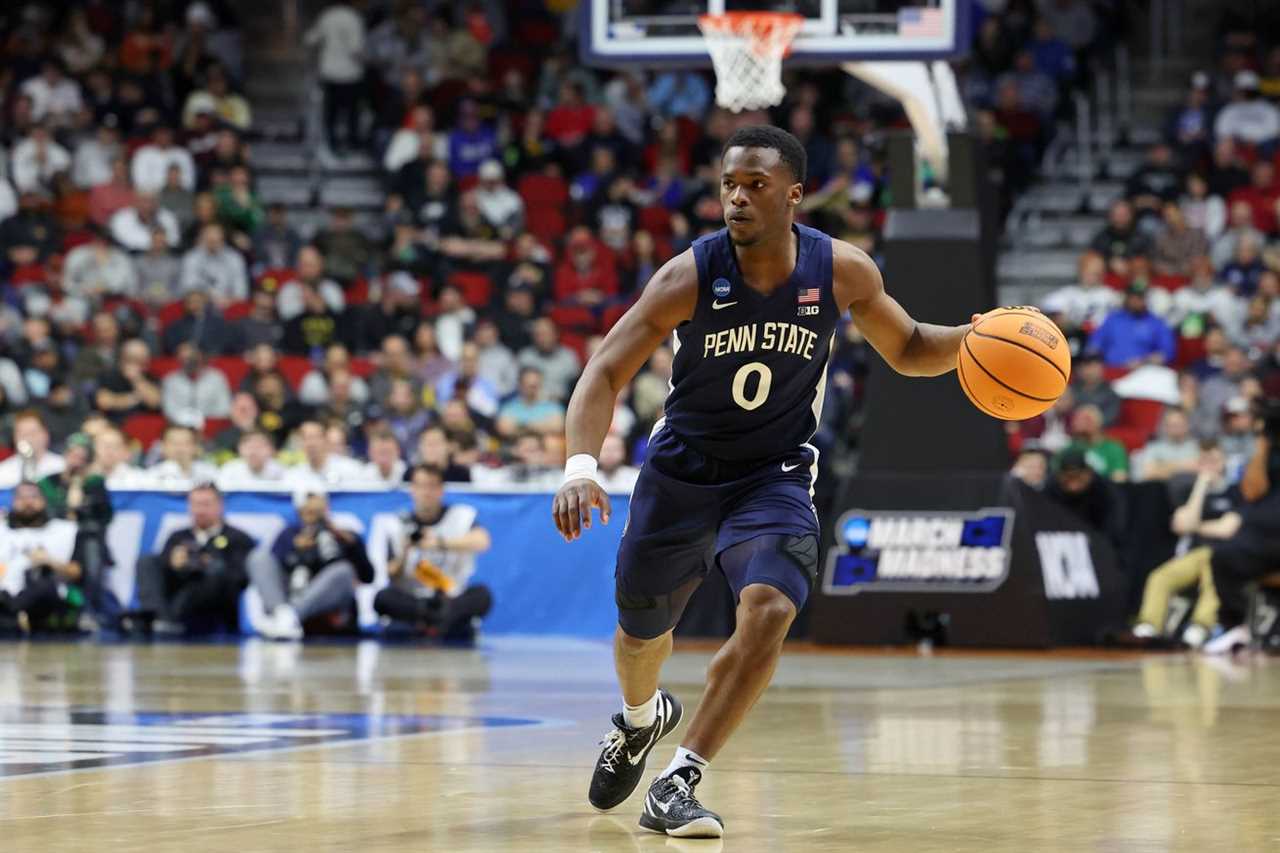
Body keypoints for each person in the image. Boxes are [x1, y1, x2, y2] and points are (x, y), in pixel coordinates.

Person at [553, 126, 979, 837]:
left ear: (794, 195)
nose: (737, 198)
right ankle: (640, 718)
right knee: (639, 631)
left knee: (772, 609)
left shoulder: (841, 270)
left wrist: (978, 336)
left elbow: (906, 347)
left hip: (772, 473)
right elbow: (603, 371)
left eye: (754, 185)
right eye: (728, 184)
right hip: (682, 469)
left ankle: (679, 777)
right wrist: (579, 467)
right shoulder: (687, 274)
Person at [1129, 442, 1240, 648]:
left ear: (1223, 463)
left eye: (1214, 461)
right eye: (1204, 461)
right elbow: (1181, 525)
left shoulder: (1234, 492)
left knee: (1212, 576)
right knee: (1159, 577)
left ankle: (1201, 625)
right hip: (1193, 553)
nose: (1209, 466)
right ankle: (1149, 626)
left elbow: (1228, 529)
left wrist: (1195, 525)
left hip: (1223, 554)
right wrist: (1201, 485)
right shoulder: (1186, 489)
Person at [375, 465, 494, 637]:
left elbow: (483, 541)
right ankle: (433, 619)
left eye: (431, 486)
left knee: (482, 595)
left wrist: (439, 542)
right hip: (414, 598)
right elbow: (391, 573)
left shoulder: (461, 515)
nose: (426, 493)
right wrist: (406, 552)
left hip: (450, 596)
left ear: (441, 490)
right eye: (421, 486)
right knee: (383, 598)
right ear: (412, 490)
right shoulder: (397, 523)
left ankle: (436, 619)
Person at [248, 491, 375, 640]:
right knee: (259, 557)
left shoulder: (343, 536)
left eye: (319, 513)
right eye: (309, 512)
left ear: (327, 510)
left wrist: (348, 543)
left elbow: (368, 577)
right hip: (291, 593)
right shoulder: (289, 535)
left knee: (343, 570)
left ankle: (290, 617)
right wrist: (294, 549)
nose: (314, 518)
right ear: (300, 512)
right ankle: (281, 614)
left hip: (325, 604)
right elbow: (272, 573)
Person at [132, 483, 256, 635]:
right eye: (195, 504)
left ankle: (170, 620)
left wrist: (204, 562)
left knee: (214, 574)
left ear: (220, 506)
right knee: (147, 560)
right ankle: (157, 617)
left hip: (211, 606)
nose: (200, 510)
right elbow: (163, 571)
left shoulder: (238, 538)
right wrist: (172, 563)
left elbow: (240, 578)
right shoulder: (178, 536)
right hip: (175, 596)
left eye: (206, 504)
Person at [1205, 410, 1280, 654]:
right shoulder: (1269, 454)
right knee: (1223, 556)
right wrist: (1264, 445)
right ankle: (1236, 627)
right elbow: (1251, 491)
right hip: (1263, 540)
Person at [0, 482, 82, 635]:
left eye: (33, 497)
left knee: (44, 584)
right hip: (5, 594)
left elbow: (77, 572)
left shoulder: (64, 531)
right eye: (21, 497)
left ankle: (15, 612)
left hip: (45, 597)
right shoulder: (3, 530)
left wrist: (48, 561)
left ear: (44, 501)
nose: (27, 502)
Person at [305, 1, 367, 155]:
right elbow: (356, 48)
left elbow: (311, 39)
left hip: (329, 72)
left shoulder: (327, 15)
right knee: (351, 111)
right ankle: (352, 142)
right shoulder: (353, 18)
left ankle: (332, 142)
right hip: (350, 73)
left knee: (331, 111)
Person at [1087, 283, 1177, 369]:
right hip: (1111, 371)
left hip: (1142, 373)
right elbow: (1094, 344)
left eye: (1140, 297)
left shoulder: (1156, 323)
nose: (1135, 301)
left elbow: (1168, 352)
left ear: (1146, 299)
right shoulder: (1113, 319)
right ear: (1126, 298)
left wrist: (1144, 361)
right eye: (1132, 297)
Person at [0, 411, 66, 487]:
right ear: (14, 437)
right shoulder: (2, 472)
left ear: (46, 434)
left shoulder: (62, 467)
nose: (29, 439)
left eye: (33, 433)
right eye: (23, 434)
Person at [1134, 408, 1201, 481]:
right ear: (1165, 426)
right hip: (1160, 489)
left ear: (1187, 425)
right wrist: (1185, 465)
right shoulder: (1153, 448)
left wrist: (1162, 466)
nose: (1175, 428)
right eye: (1171, 424)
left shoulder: (1198, 447)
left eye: (1178, 424)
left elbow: (1201, 470)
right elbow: (1148, 473)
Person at [216, 429, 287, 490]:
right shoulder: (228, 470)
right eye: (249, 447)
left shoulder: (282, 471)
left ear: (272, 450)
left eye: (259, 447)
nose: (253, 452)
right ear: (239, 449)